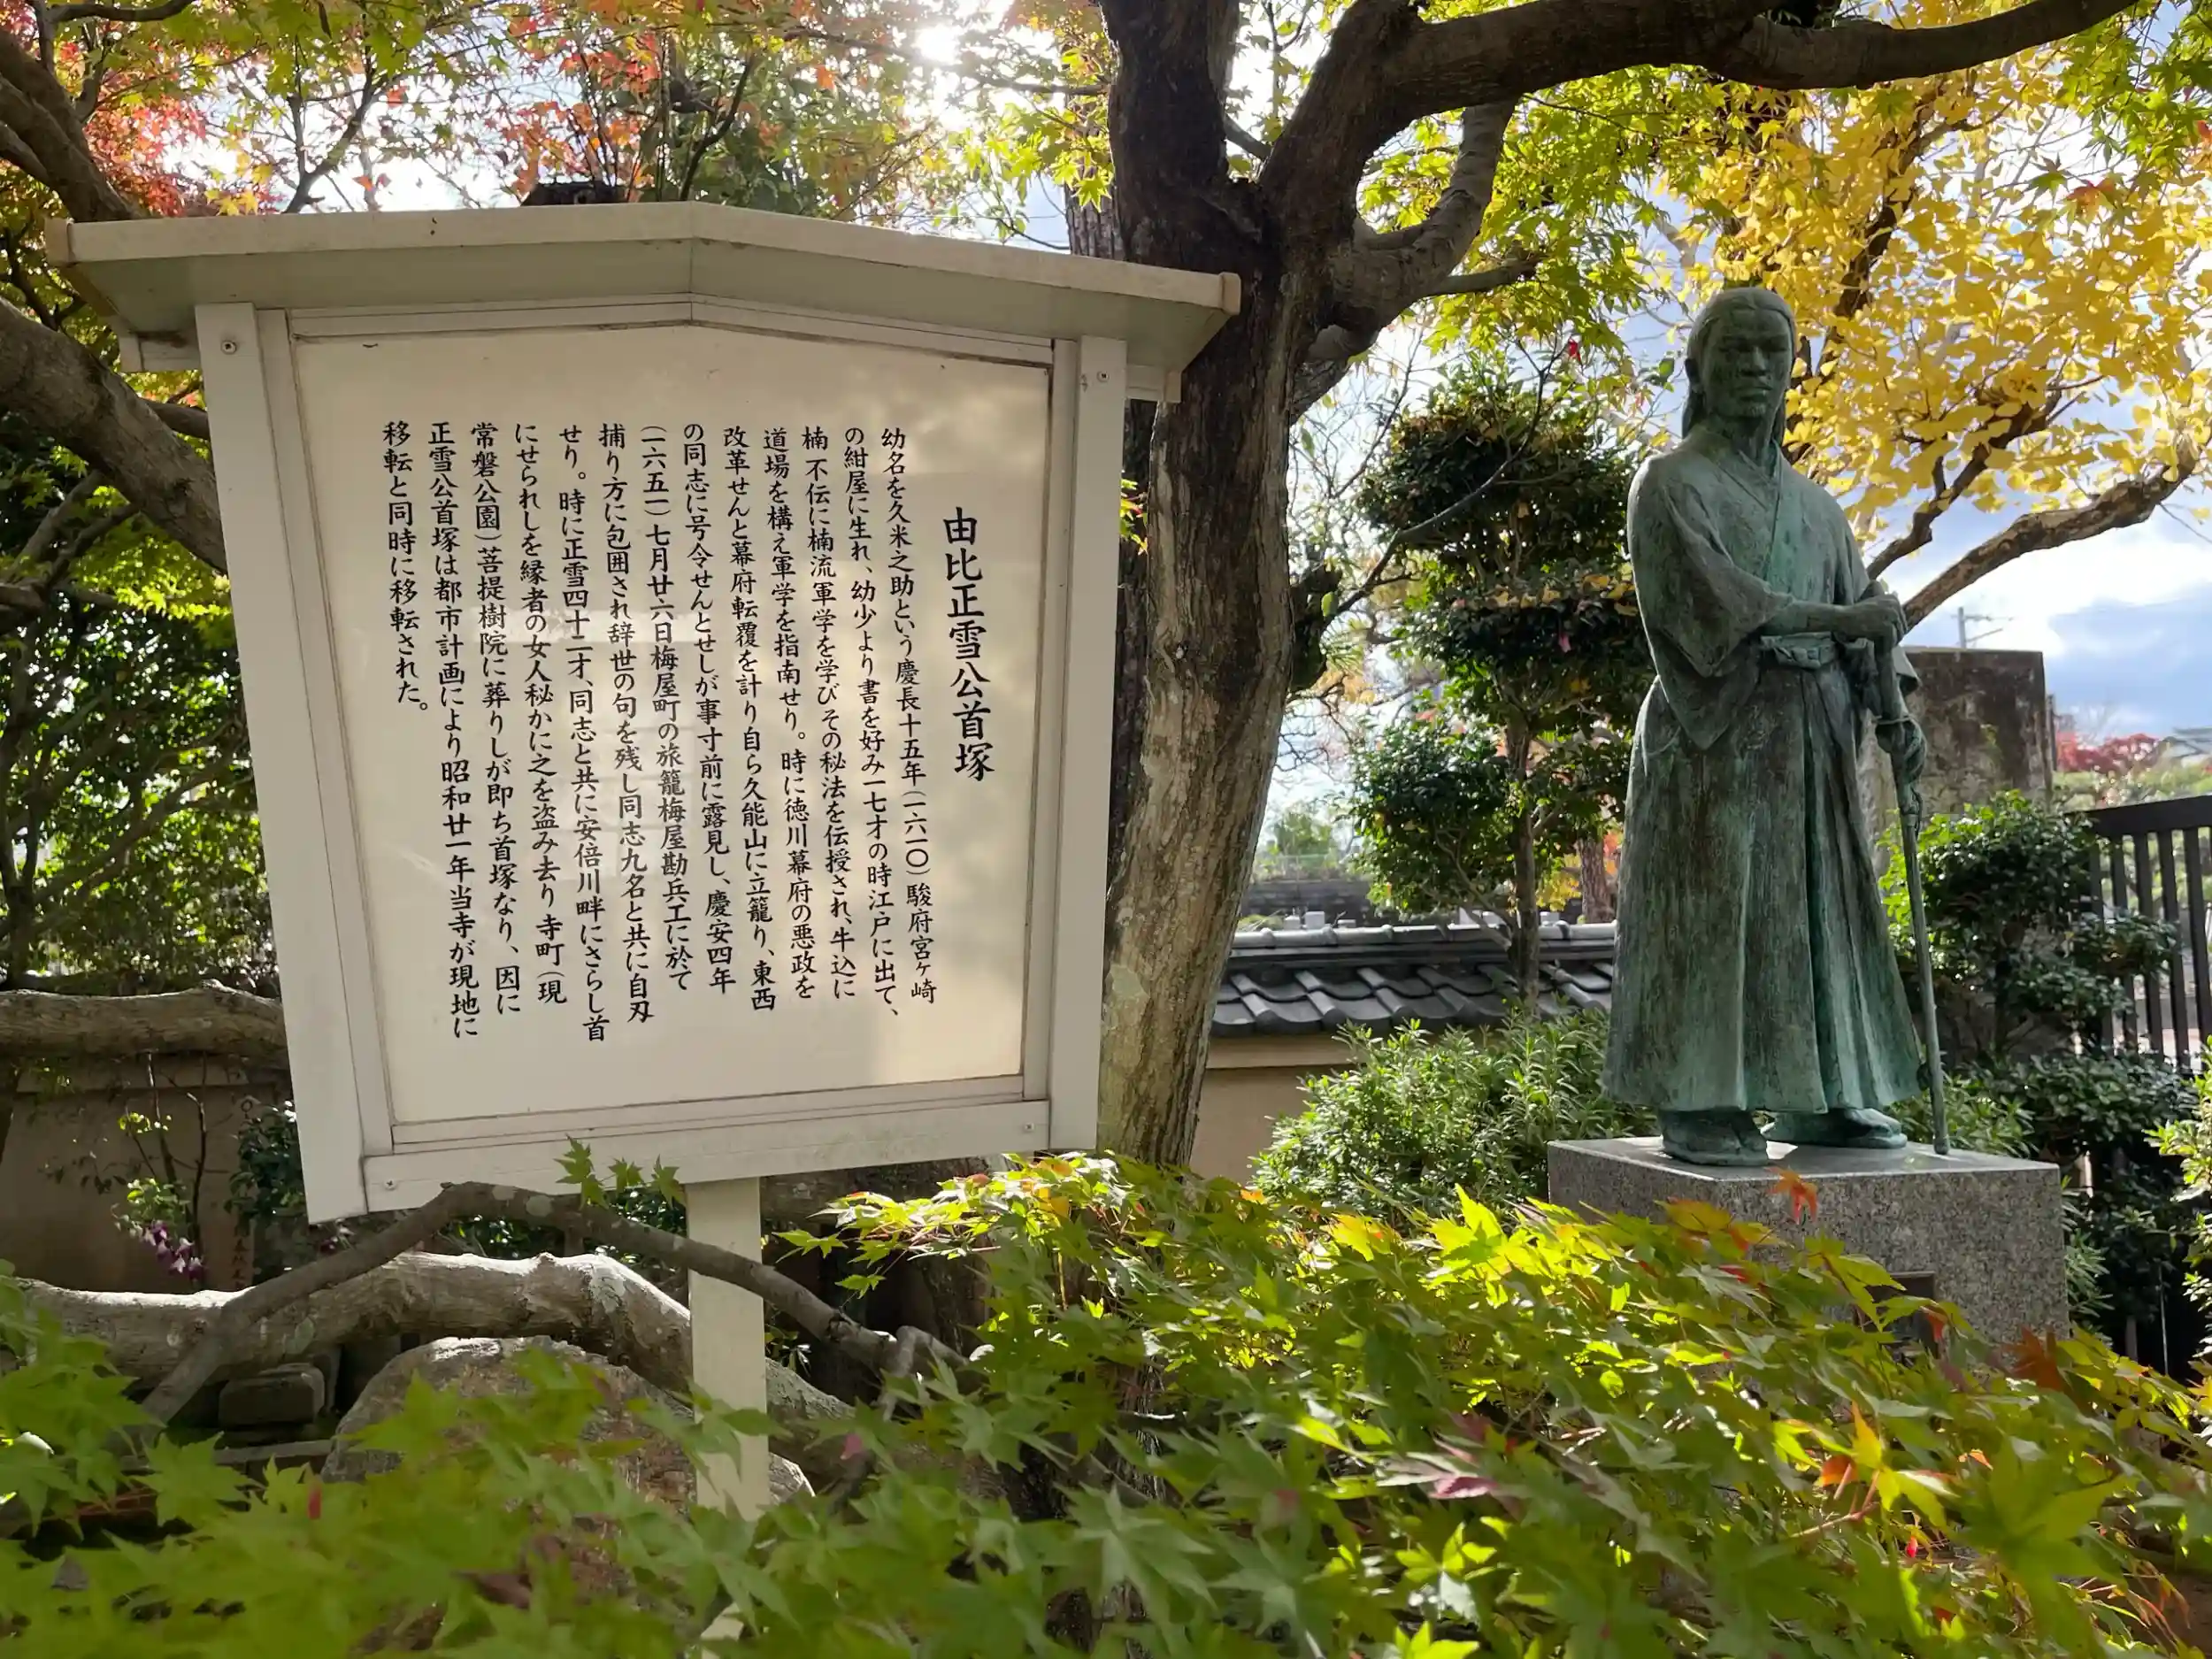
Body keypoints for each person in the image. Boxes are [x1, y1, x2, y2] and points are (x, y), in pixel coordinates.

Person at [1601, 284, 1929, 1167]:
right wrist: (1844, 621)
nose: (1754, 367)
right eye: (1735, 350)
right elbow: (1714, 605)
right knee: (1716, 911)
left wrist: (1890, 706)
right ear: (1698, 369)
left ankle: (1822, 1091)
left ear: (1791, 371)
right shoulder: (1669, 484)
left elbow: (1867, 619)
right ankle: (1698, 1097)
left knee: (1819, 913)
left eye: (1771, 352)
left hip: (1813, 732)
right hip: (1714, 736)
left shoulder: (1818, 508)